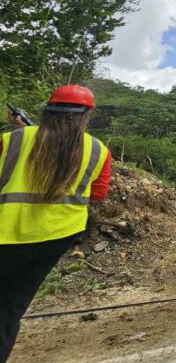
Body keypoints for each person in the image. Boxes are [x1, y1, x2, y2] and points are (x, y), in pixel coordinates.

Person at [0, 85, 111, 362]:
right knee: (10, 308)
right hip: (56, 238)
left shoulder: (13, 139)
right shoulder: (98, 150)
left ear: (47, 110)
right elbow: (97, 193)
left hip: (7, 232)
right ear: (86, 114)